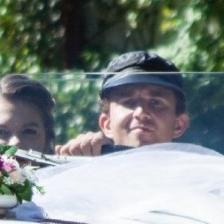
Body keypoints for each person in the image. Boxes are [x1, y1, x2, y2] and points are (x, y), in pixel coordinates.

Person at [56, 50, 190, 157]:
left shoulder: (200, 175)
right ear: (106, 124)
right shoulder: (88, 172)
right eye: (129, 102)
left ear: (178, 125)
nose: (141, 113)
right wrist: (76, 161)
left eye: (155, 102)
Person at [0, 74, 56, 153]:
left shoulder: (66, 170)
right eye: (0, 132)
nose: (15, 144)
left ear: (47, 138)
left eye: (29, 131)